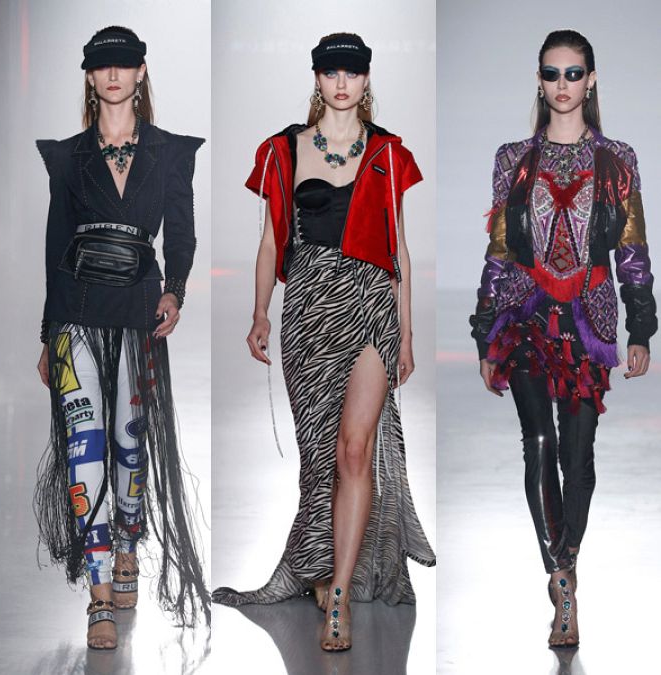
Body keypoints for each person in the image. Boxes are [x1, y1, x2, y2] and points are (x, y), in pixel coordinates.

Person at [211, 32, 435, 652]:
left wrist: (406, 334)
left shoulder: (388, 153)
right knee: (319, 457)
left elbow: (400, 249)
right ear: (317, 77)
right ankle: (316, 563)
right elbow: (269, 241)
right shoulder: (282, 150)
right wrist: (259, 312)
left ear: (366, 80)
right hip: (309, 308)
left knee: (354, 450)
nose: (341, 82)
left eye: (352, 72)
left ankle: (338, 593)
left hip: (371, 303)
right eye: (331, 71)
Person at [470, 29, 656, 648]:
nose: (563, 84)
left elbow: (632, 249)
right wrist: (483, 330)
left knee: (578, 457)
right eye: (552, 73)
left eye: (574, 73)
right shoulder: (512, 160)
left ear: (591, 79)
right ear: (539, 80)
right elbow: (499, 249)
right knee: (539, 443)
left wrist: (640, 326)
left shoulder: (618, 160)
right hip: (524, 314)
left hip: (590, 319)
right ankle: (560, 580)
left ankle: (567, 563)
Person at [33, 25, 211, 650]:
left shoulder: (170, 153)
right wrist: (48, 333)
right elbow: (56, 244)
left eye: (124, 63)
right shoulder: (67, 157)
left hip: (138, 308)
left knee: (129, 444)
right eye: (102, 65)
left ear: (140, 72)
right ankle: (100, 592)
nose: (113, 74)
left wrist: (176, 290)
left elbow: (181, 232)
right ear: (89, 75)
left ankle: (130, 540)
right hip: (77, 311)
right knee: (85, 447)